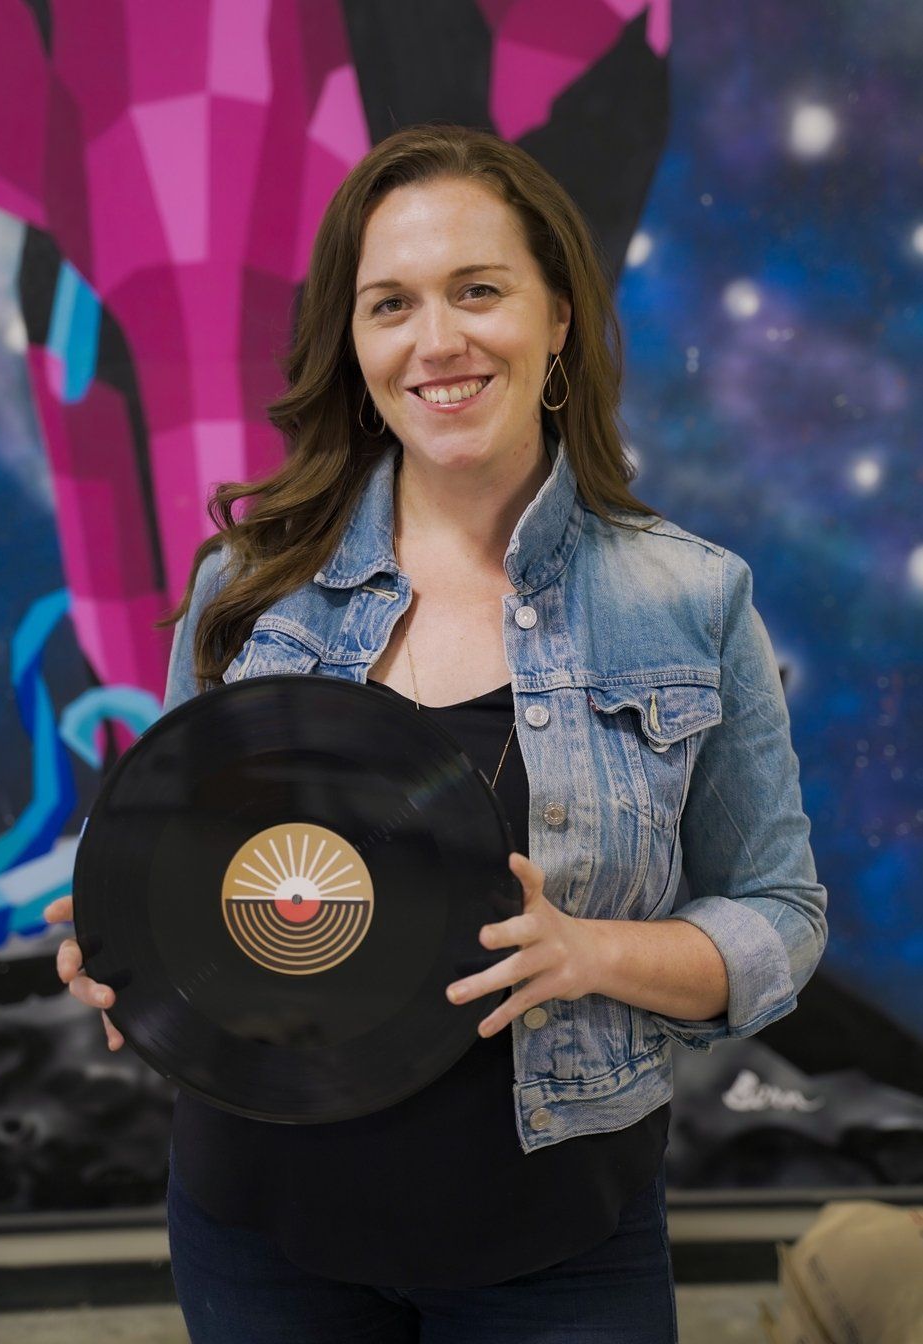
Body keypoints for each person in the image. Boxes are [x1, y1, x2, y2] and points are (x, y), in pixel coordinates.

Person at [46, 123, 828, 1343]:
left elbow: (781, 913)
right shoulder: (246, 587)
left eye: (478, 291)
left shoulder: (692, 598)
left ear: (557, 316)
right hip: (259, 1238)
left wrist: (592, 954)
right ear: (354, 345)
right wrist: (126, 943)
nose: (437, 341)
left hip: (560, 1247)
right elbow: (182, 865)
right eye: (391, 304)